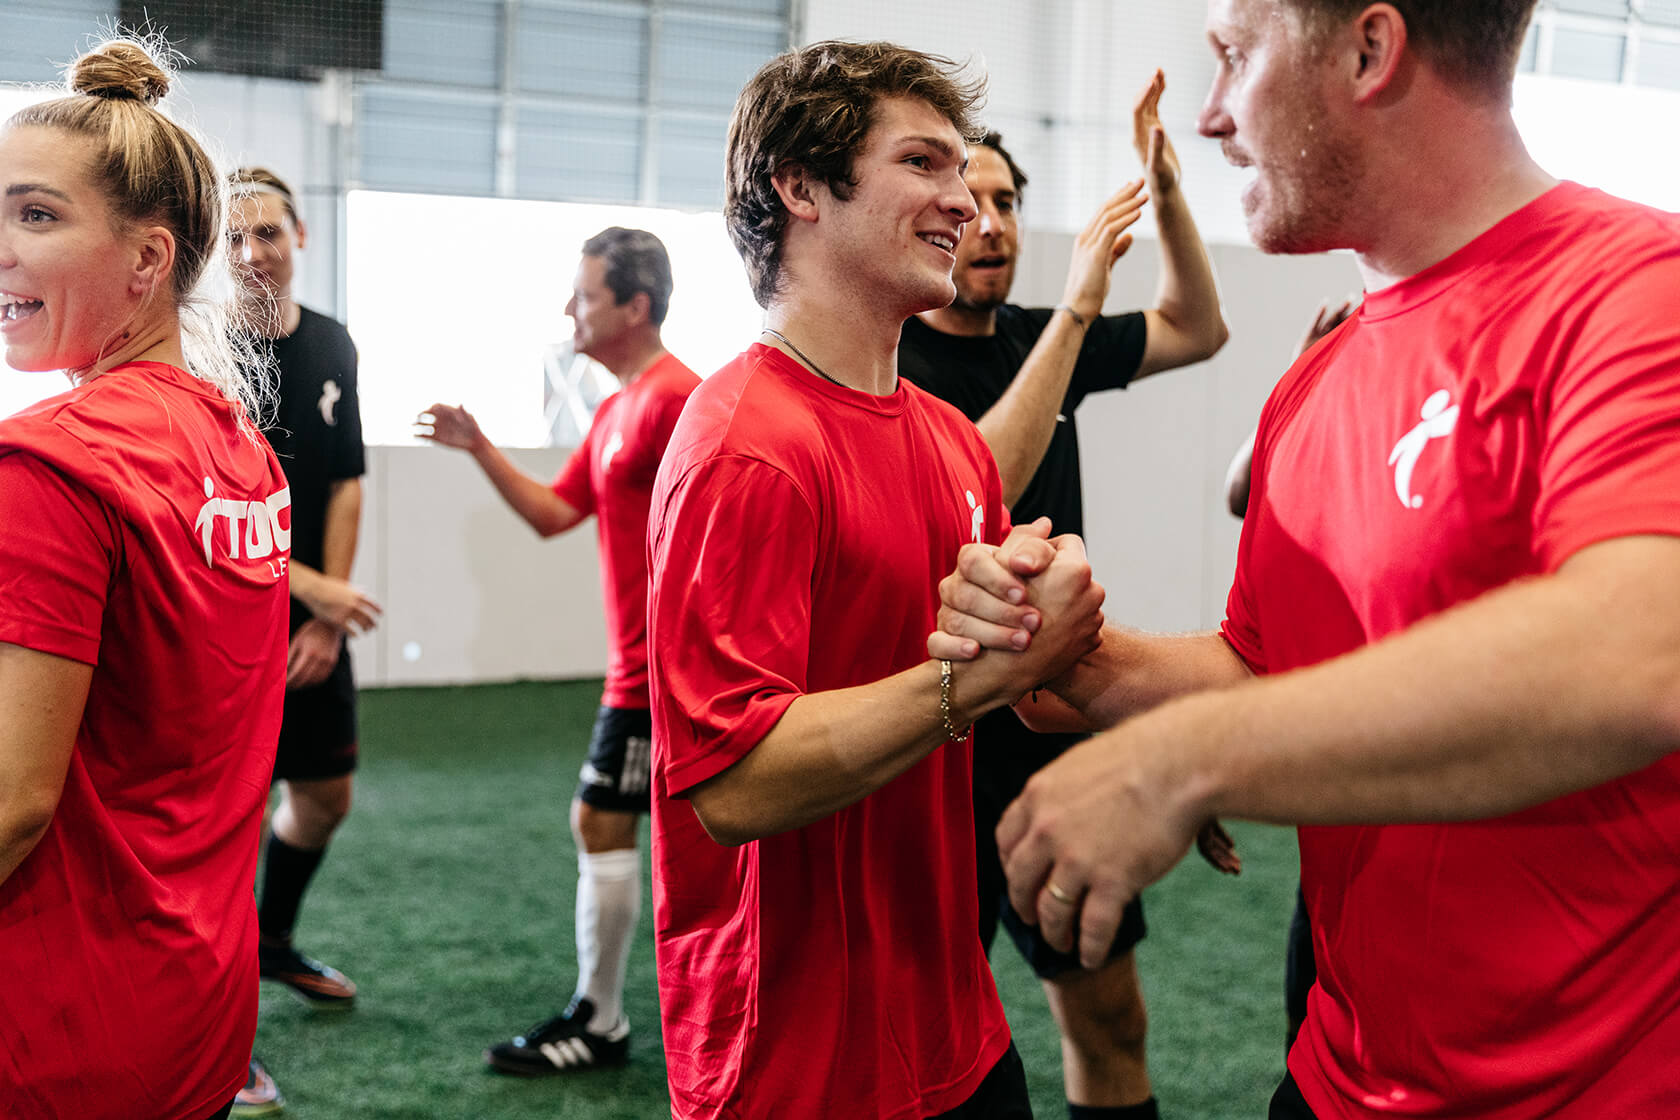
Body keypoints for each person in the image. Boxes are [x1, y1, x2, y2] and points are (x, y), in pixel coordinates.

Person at [932, 1, 1680, 1116]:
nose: (1214, 112)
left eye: (1234, 59)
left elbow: (1643, 652)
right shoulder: (1314, 382)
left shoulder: (1636, 291)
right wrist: (1069, 652)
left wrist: (1182, 759)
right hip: (1337, 1073)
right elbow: (1267, 663)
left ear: (1370, 52)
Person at [646, 40, 1107, 1119]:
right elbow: (734, 783)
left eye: (967, 173)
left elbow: (1023, 680)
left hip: (955, 1023)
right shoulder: (746, 443)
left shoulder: (950, 441)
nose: (968, 206)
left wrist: (1161, 748)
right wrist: (974, 684)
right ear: (800, 188)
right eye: (927, 166)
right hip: (799, 1060)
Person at [897, 70, 1228, 1120]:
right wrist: (1081, 306)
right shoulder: (889, 357)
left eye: (1006, 204)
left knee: (1107, 1015)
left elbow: (1196, 326)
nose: (989, 225)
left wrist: (1166, 191)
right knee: (923, 1041)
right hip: (930, 738)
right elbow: (974, 483)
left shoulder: (1046, 333)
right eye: (970, 202)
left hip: (1052, 723)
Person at [0, 38, 291, 1120]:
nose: (1, 249)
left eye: (36, 217)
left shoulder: (53, 461)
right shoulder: (239, 447)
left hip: (55, 1030)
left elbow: (10, 803)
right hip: (193, 1009)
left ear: (146, 258)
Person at [416, 226, 699, 1075]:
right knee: (615, 824)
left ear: (635, 306)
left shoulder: (678, 399)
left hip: (664, 676)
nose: (567, 310)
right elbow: (552, 515)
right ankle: (602, 1016)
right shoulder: (617, 408)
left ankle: (605, 1021)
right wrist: (480, 448)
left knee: (631, 827)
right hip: (635, 672)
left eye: (583, 295)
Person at [224, 166, 378, 1116]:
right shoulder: (205, 355)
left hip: (311, 623)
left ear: (300, 234)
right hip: (227, 620)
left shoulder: (331, 342)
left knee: (322, 797)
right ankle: (216, 1036)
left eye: (266, 233)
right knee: (221, 833)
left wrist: (323, 614)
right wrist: (307, 586)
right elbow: (208, 507)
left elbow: (348, 480)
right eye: (234, 238)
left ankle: (270, 943)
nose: (251, 254)